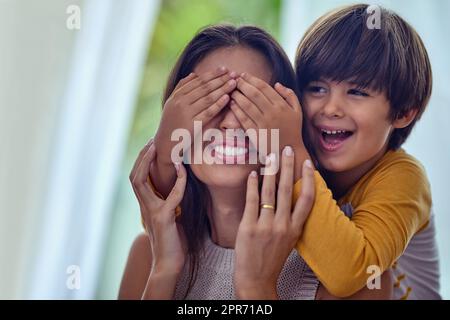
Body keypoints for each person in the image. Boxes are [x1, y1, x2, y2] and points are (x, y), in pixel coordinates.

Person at [119, 24, 392, 300]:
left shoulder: (354, 265)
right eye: (208, 101)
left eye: (251, 103)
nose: (229, 123)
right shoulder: (150, 254)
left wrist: (256, 286)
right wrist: (164, 272)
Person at [232, 4, 440, 299]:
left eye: (357, 92)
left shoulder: (404, 177)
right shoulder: (296, 155)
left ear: (403, 112)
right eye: (317, 88)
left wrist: (290, 149)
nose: (331, 108)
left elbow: (348, 274)